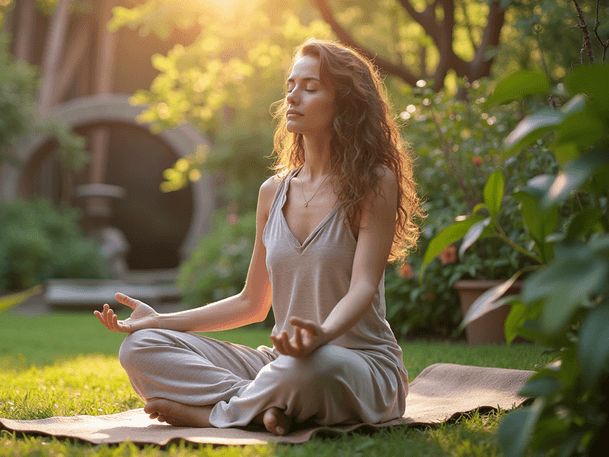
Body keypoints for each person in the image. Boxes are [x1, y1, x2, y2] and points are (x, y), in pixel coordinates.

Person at [94, 38, 422, 436]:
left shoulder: (374, 183)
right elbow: (252, 303)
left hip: (355, 363)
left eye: (310, 87)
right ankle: (267, 406)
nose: (292, 97)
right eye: (290, 86)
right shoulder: (273, 192)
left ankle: (211, 414)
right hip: (282, 364)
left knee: (312, 366)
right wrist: (161, 321)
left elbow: (364, 285)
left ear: (346, 103)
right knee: (140, 347)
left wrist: (322, 335)